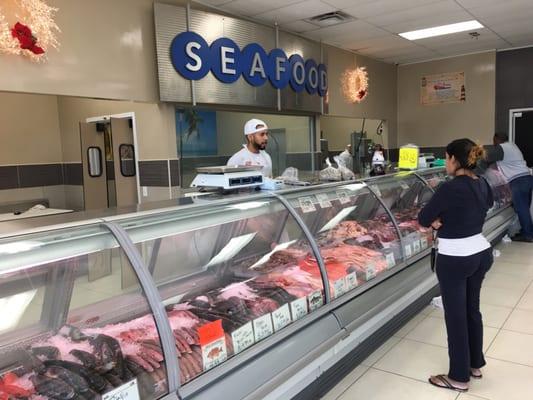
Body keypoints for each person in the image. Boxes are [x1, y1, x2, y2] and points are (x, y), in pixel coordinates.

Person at [418, 139, 494, 393]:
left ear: (454, 160)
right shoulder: (481, 182)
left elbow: (424, 218)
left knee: (456, 316)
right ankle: (475, 364)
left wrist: (440, 222)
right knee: (472, 310)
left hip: (456, 258)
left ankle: (459, 377)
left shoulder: (449, 188)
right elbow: (486, 205)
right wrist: (450, 218)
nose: (446, 162)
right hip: (481, 252)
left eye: (447, 157)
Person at [482, 132, 533, 242]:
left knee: (521, 209)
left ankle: (528, 235)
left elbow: (487, 158)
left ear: (496, 139)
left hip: (518, 181)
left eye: (493, 140)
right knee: (525, 208)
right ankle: (527, 231)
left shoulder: (502, 148)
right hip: (526, 178)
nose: (493, 143)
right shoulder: (512, 146)